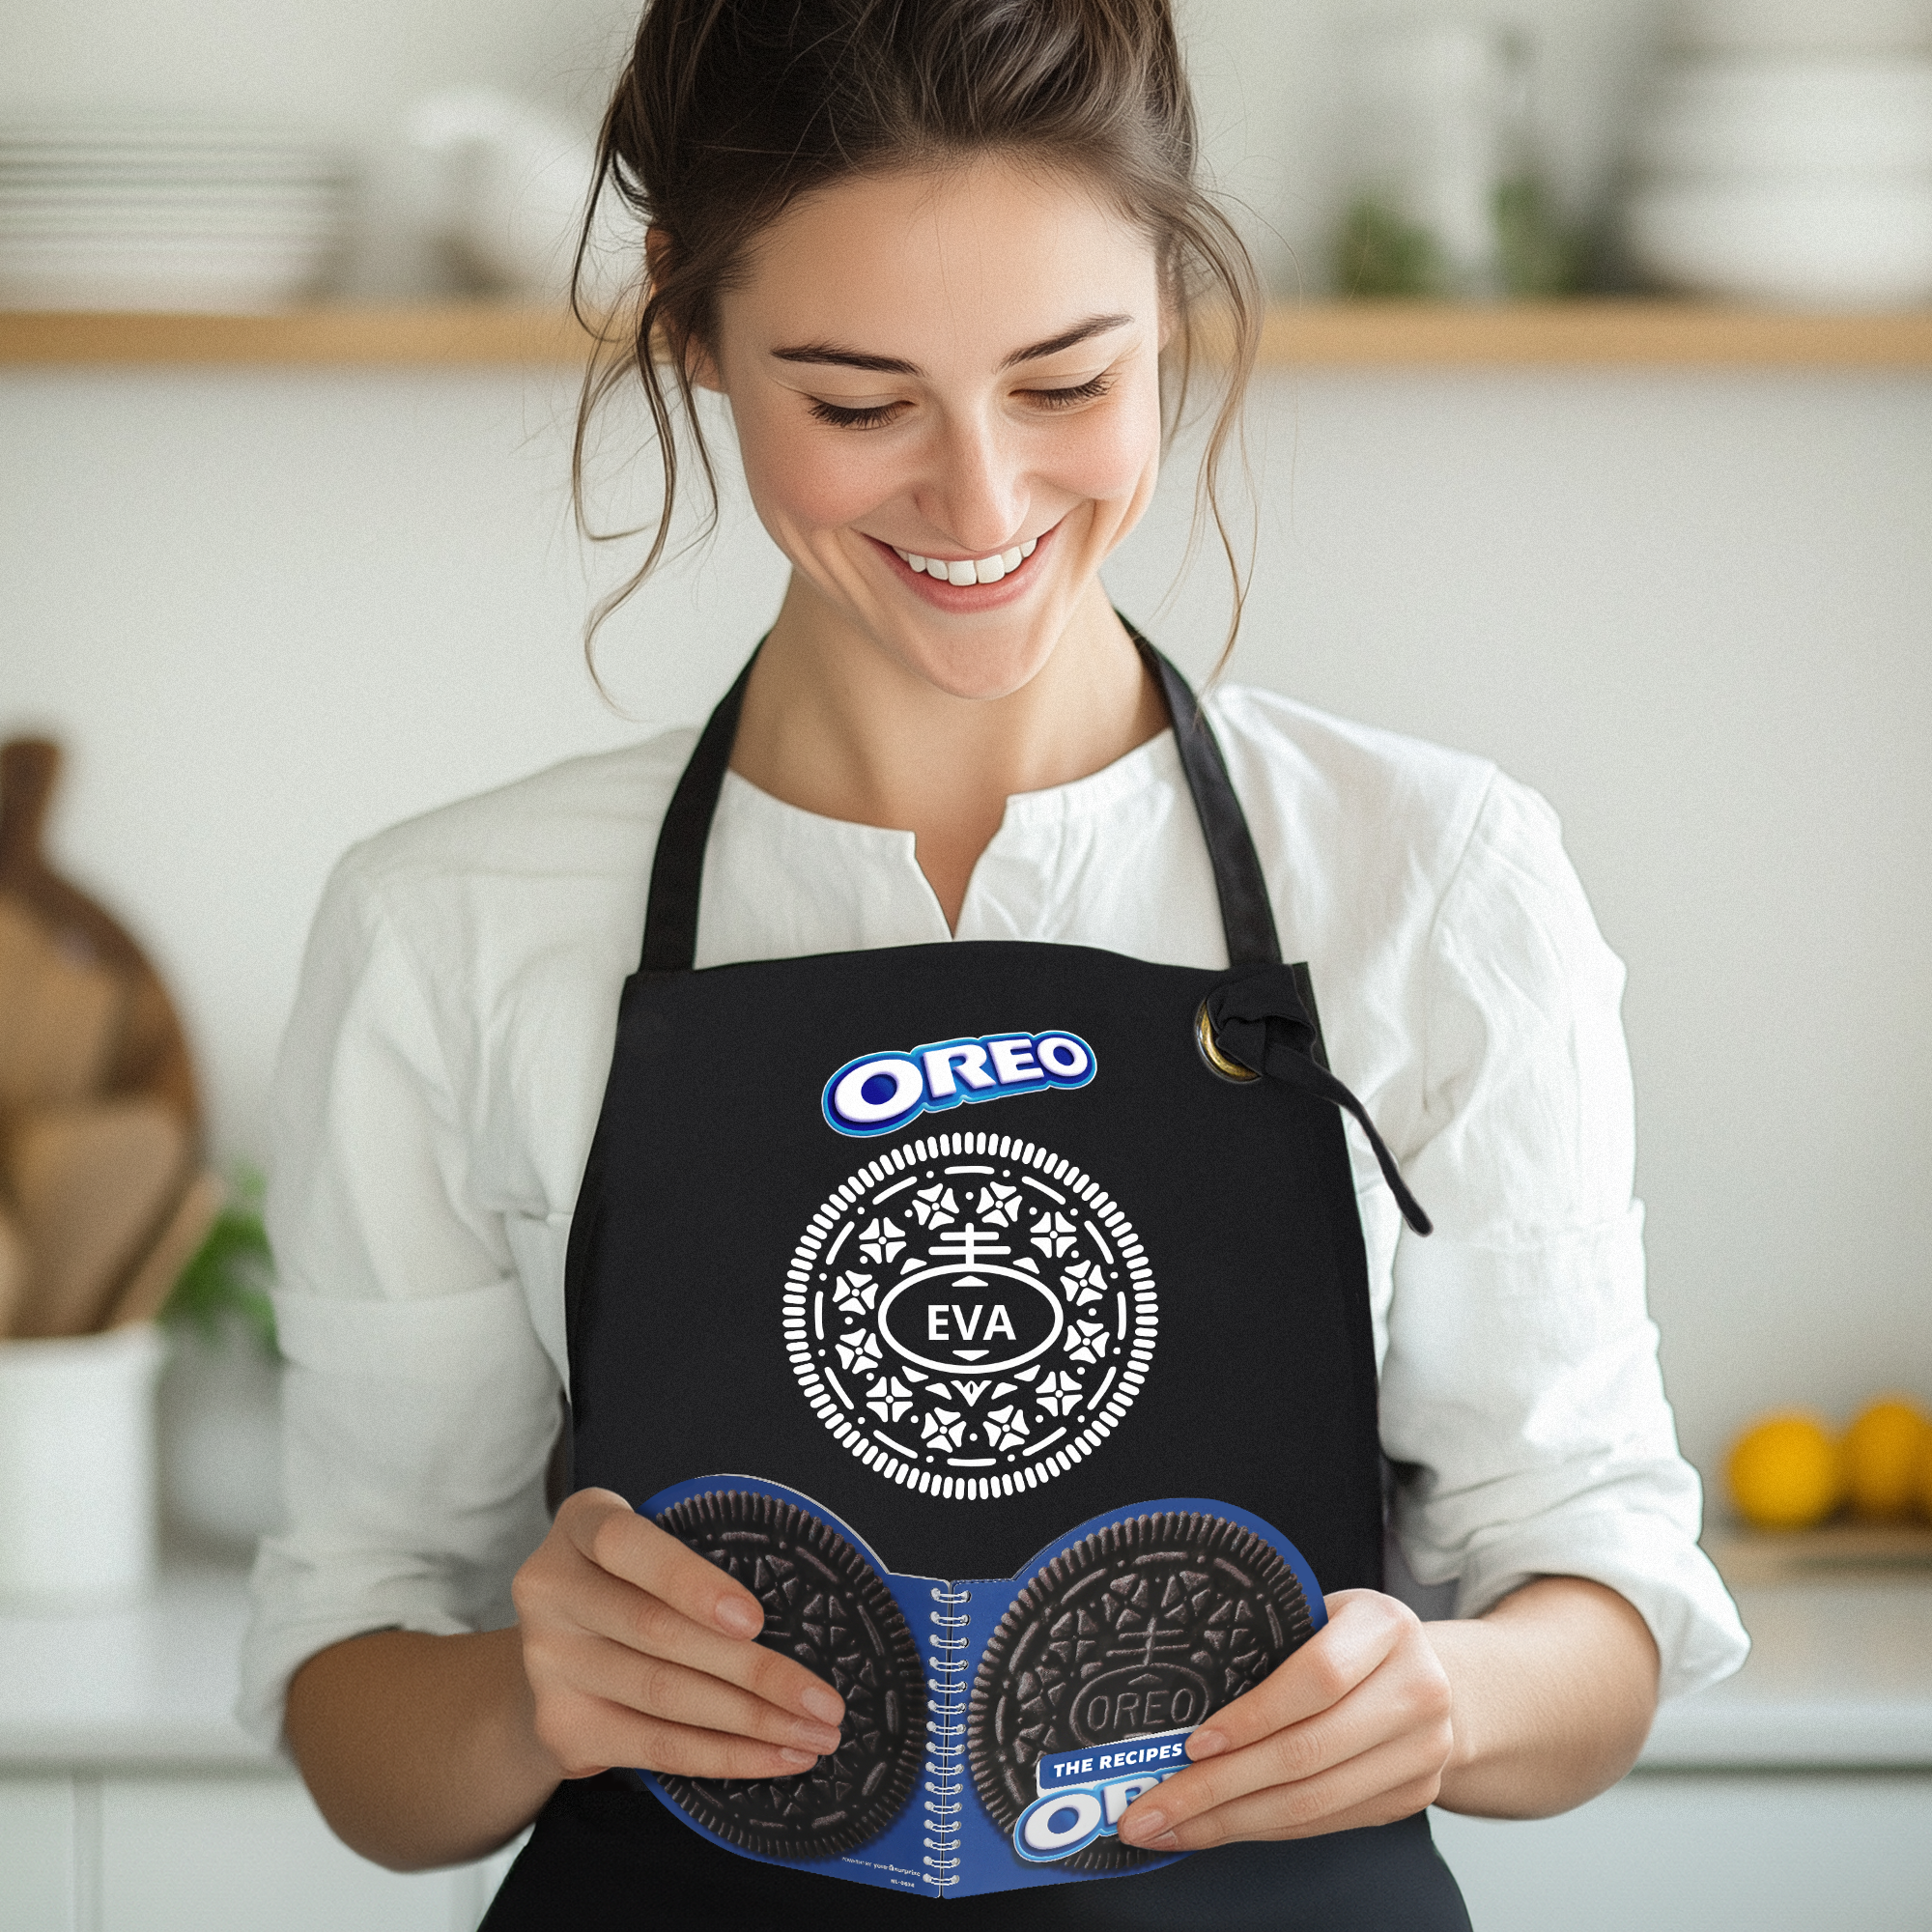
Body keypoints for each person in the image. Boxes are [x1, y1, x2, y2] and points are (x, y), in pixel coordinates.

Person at [242, 3, 1747, 1926]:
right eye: (858, 403)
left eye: (1065, 383)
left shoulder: (1427, 877)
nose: (980, 505)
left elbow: (1593, 1588)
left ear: (1171, 309)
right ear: (686, 324)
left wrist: (1446, 1699)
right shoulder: (451, 924)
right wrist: (523, 1697)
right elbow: (364, 1704)